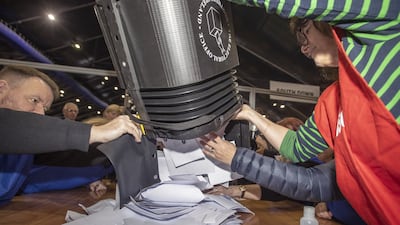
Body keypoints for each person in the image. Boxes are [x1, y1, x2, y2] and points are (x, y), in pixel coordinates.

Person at [202, 1, 400, 225]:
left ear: (325, 20)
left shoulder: (388, 27)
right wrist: (249, 114)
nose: (304, 48)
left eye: (305, 33)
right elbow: (296, 148)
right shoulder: (333, 100)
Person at [0, 65, 142, 206]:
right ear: (2, 89)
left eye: (44, 108)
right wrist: (94, 132)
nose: (40, 114)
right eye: (34, 100)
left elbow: (66, 159)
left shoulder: (25, 148)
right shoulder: (15, 131)